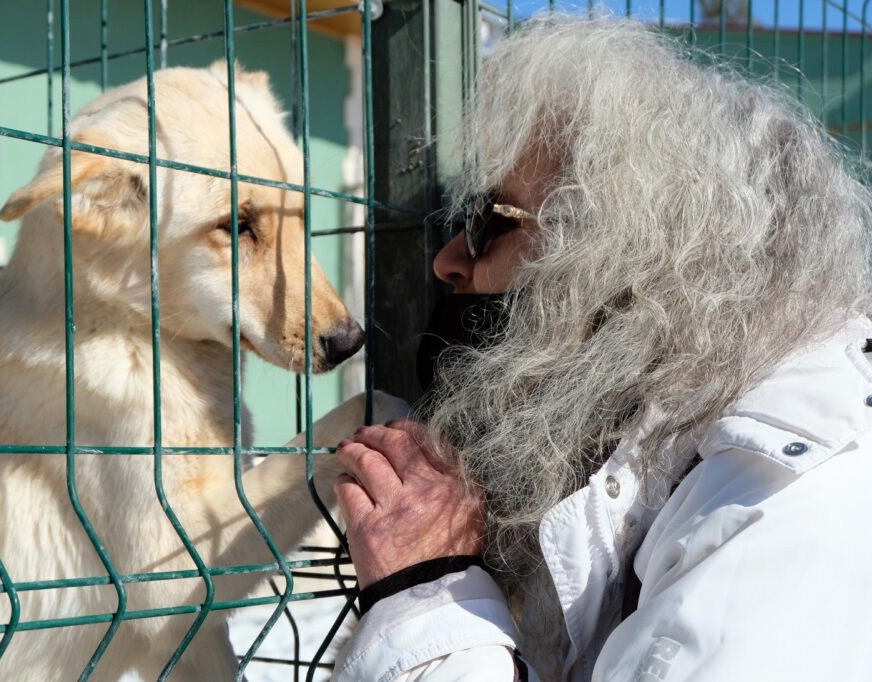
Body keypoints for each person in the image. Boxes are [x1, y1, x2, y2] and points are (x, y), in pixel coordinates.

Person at [331, 15, 872, 682]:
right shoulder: (693, 451)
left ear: (622, 252)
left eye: (486, 221)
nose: (447, 262)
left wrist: (427, 596)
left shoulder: (776, 509)